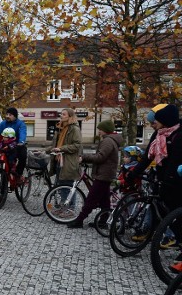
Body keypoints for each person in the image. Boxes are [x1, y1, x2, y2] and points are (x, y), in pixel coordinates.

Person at [128, 104, 182, 255]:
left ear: (164, 120)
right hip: (162, 178)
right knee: (163, 211)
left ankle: (177, 240)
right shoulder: (159, 135)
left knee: (175, 213)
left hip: (176, 181)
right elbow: (147, 158)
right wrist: (133, 173)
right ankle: (156, 234)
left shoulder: (178, 135)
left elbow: (174, 161)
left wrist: (168, 179)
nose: (152, 125)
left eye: (154, 122)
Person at [67, 120, 123, 228]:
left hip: (104, 174)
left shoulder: (108, 141)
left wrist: (84, 157)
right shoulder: (110, 140)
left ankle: (79, 220)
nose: (99, 131)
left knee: (91, 199)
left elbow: (100, 157)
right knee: (104, 200)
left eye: (100, 129)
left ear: (105, 130)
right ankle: (102, 222)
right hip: (106, 174)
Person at [0, 107, 28, 179]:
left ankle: (19, 175)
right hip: (6, 145)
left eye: (10, 115)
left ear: (15, 116)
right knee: (3, 160)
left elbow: (22, 133)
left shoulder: (20, 124)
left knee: (23, 157)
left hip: (18, 146)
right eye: (7, 114)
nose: (7, 116)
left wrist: (21, 142)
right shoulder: (3, 123)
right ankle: (4, 176)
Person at [45, 108, 81, 190]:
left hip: (68, 163)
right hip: (59, 161)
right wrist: (43, 151)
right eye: (61, 114)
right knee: (60, 187)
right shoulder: (61, 128)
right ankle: (63, 202)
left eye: (64, 114)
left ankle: (69, 203)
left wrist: (62, 148)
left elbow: (77, 145)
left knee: (66, 188)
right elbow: (55, 146)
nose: (61, 116)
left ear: (70, 117)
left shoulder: (74, 129)